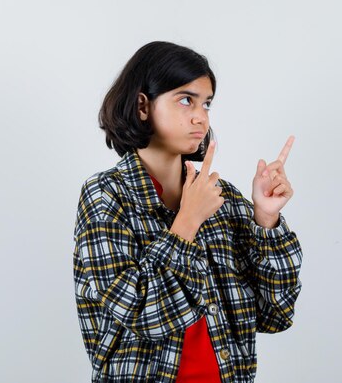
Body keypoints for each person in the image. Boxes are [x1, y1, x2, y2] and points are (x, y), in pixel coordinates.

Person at [72, 41, 303, 383]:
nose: (201, 116)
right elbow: (142, 314)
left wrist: (265, 219)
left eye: (206, 103)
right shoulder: (106, 195)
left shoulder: (219, 197)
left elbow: (275, 314)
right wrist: (187, 222)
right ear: (142, 106)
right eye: (186, 100)